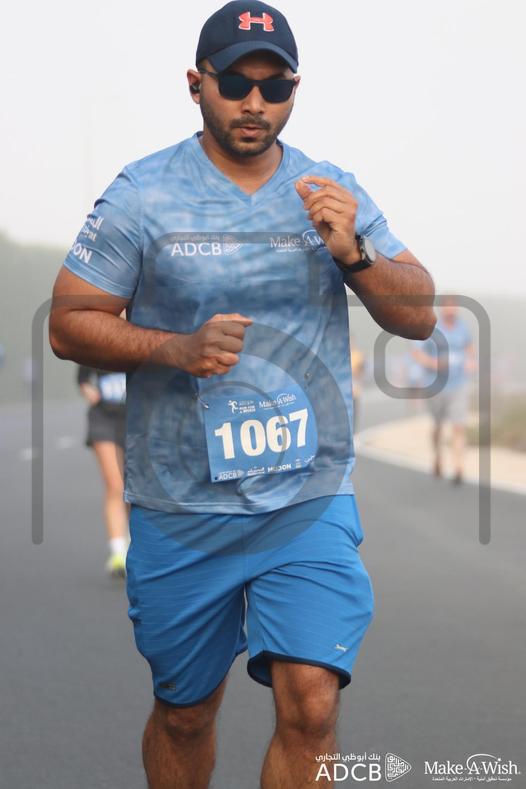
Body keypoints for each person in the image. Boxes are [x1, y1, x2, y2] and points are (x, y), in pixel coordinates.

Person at [49, 2, 436, 786]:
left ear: (295, 89)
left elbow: (420, 313)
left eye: (275, 86)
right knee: (186, 712)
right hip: (182, 501)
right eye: (235, 83)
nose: (255, 102)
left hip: (308, 493)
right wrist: (173, 348)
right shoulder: (143, 193)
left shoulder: (330, 190)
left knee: (312, 703)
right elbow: (67, 322)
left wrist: (355, 253)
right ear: (197, 84)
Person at [411, 295, 477, 483]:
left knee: (458, 425)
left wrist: (471, 361)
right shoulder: (431, 327)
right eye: (447, 307)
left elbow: (470, 348)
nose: (451, 310)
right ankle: (438, 457)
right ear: (441, 309)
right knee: (438, 426)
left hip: (458, 383)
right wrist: (433, 363)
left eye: (453, 307)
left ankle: (458, 467)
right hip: (435, 385)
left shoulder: (463, 327)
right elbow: (416, 352)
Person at [77, 363, 129, 577]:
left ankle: (133, 542)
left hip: (137, 417)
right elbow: (82, 378)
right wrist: (88, 390)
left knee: (133, 488)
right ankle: (118, 552)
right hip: (104, 419)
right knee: (115, 485)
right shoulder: (98, 346)